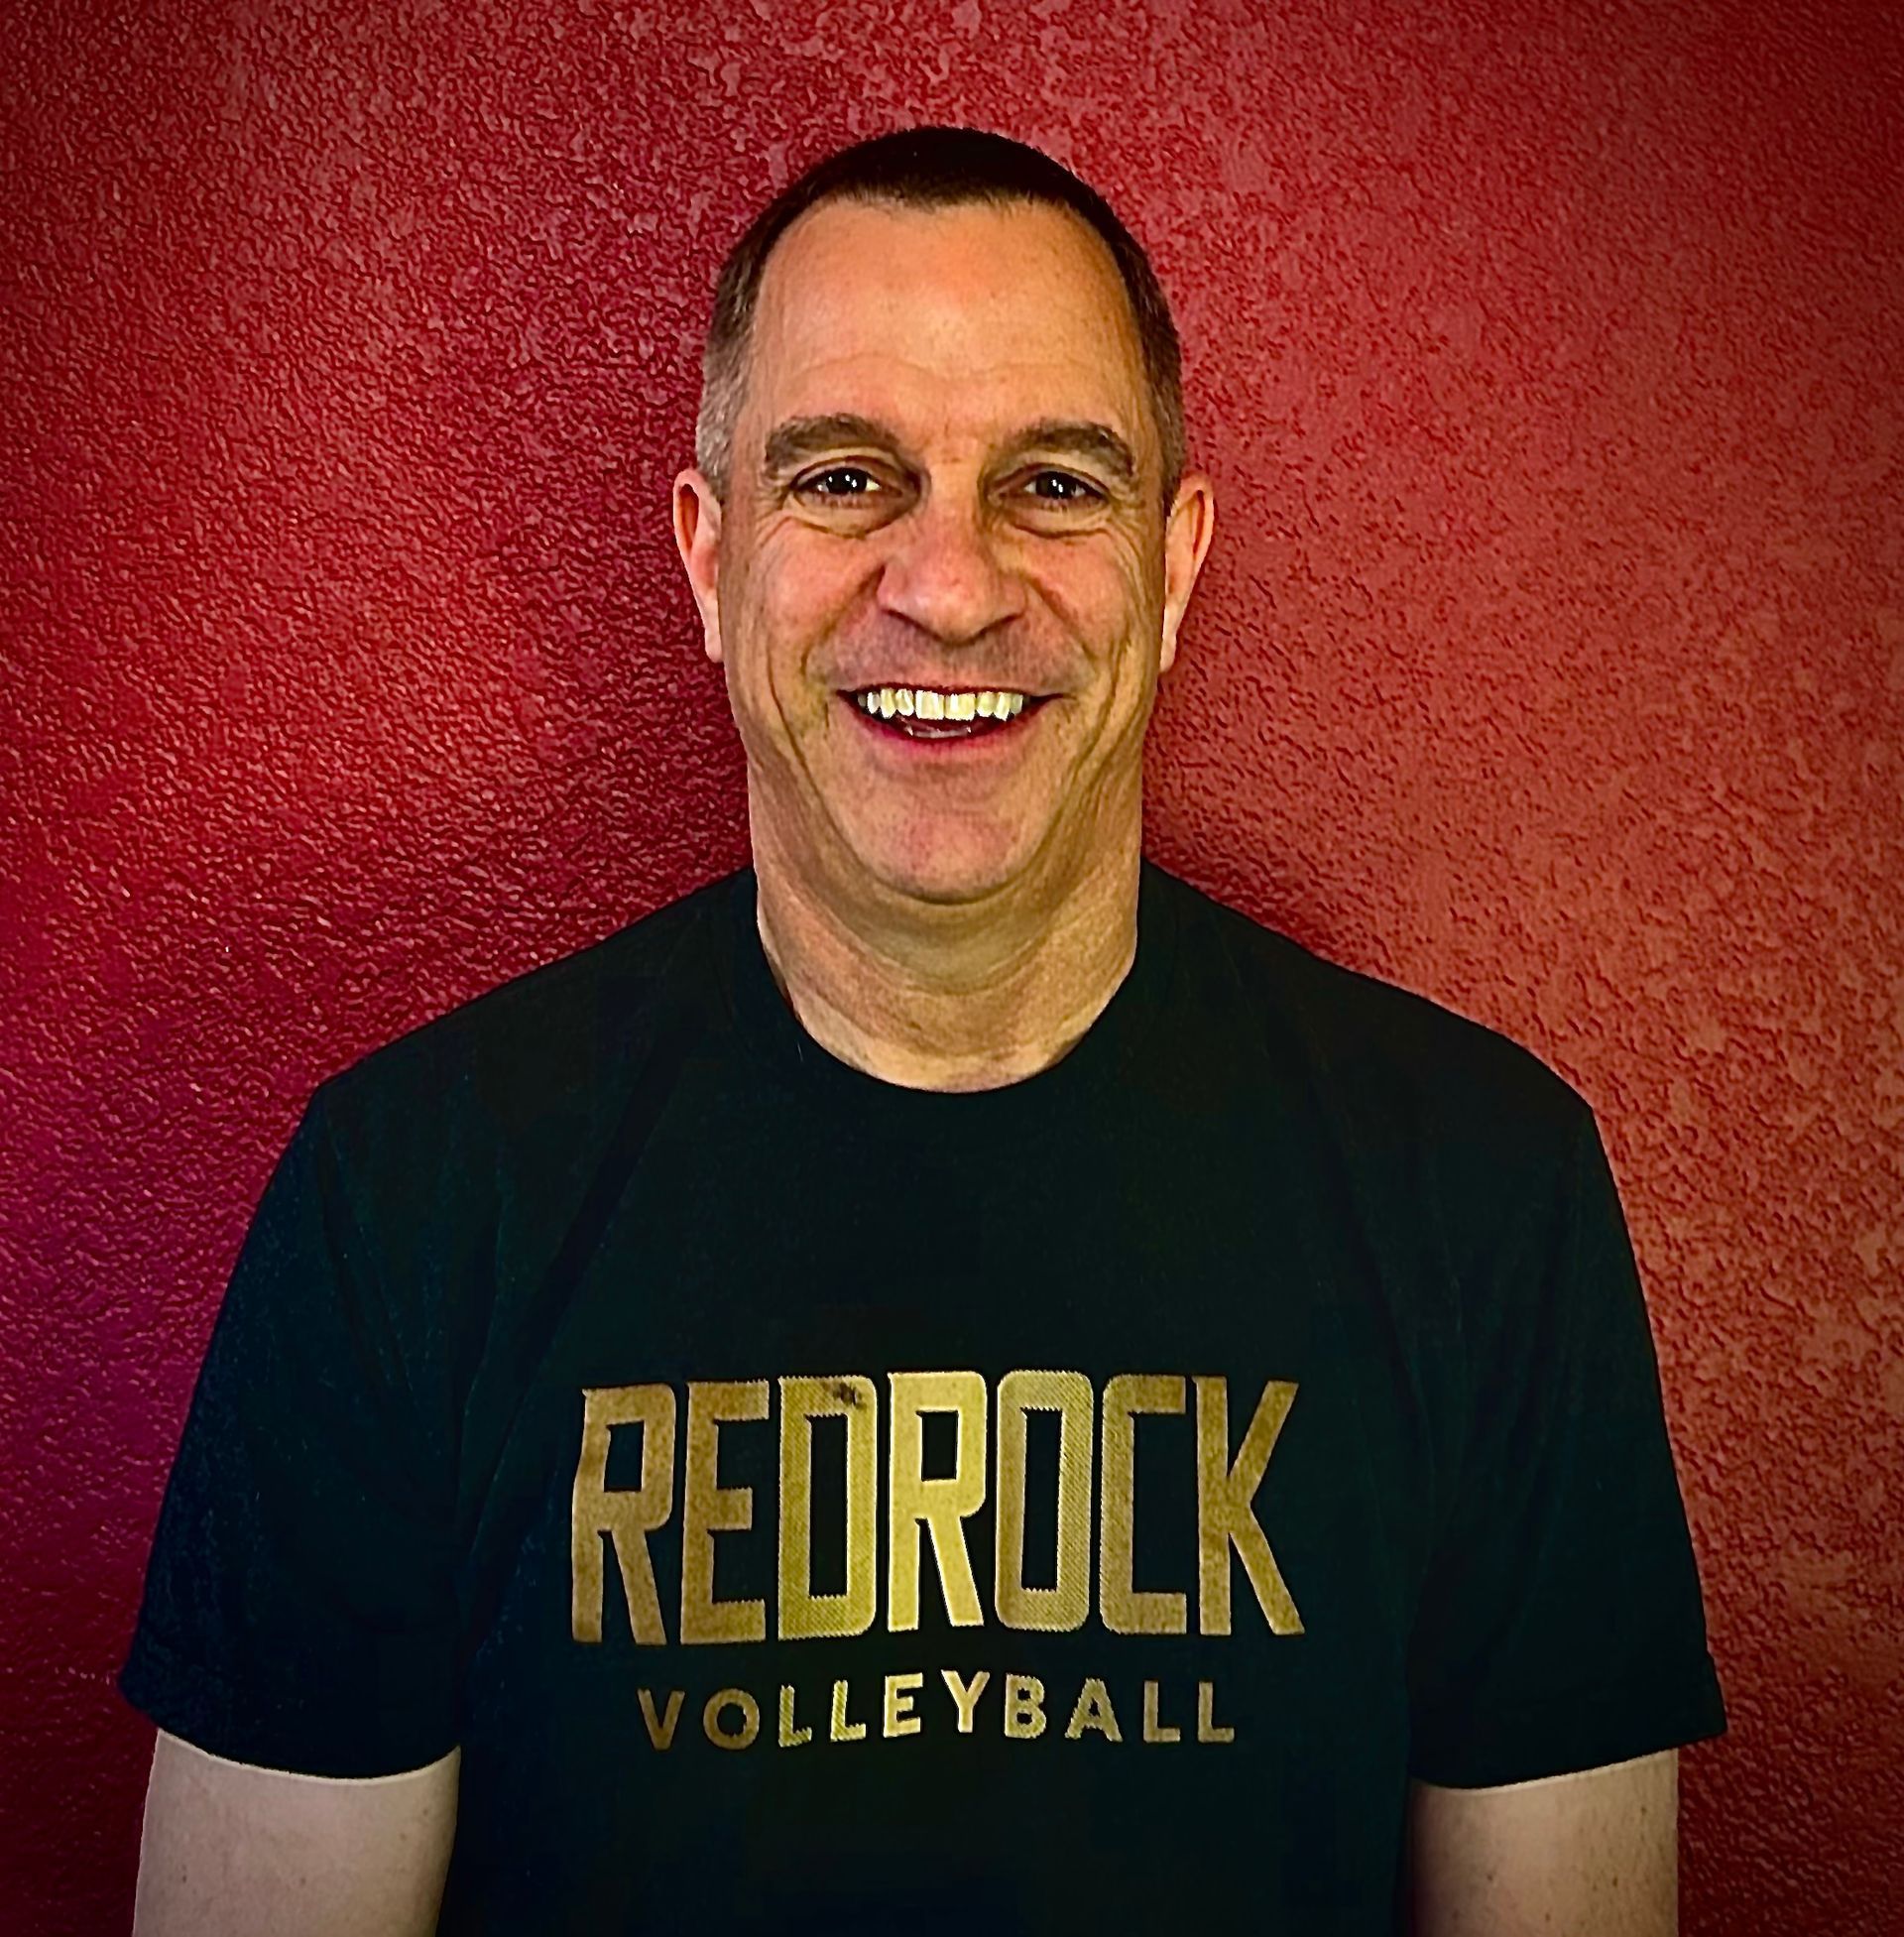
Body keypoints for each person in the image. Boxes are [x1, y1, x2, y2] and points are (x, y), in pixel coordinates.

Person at [122, 124, 1726, 1934]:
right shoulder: (407, 1202)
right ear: (710, 556)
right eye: (844, 477)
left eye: (1053, 483)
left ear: (1174, 565)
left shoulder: (1485, 1195)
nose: (949, 587)